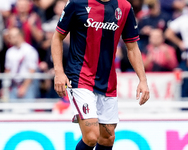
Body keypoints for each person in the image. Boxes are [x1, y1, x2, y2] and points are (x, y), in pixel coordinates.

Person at [51, 0, 150, 150]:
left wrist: (143, 80)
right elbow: (57, 37)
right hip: (80, 76)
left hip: (107, 81)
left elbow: (132, 47)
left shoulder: (124, 7)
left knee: (108, 138)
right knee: (91, 136)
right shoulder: (77, 3)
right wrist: (59, 72)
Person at [165, 0, 188, 97]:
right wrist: (179, 43)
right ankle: (184, 107)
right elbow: (168, 33)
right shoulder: (183, 19)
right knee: (185, 81)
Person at [4, 27, 39, 101]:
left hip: (28, 86)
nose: (10, 39)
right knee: (11, 110)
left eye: (12, 37)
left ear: (20, 36)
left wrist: (24, 87)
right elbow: (7, 70)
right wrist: (5, 87)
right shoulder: (9, 52)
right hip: (13, 86)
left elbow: (32, 71)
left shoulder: (30, 51)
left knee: (27, 110)